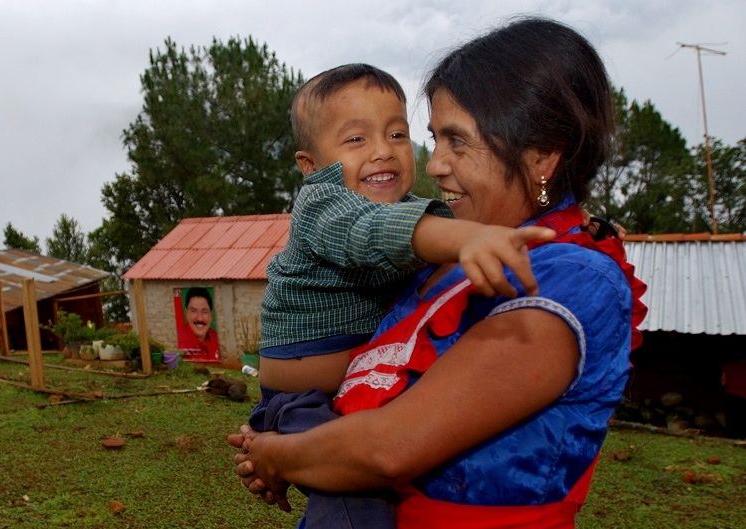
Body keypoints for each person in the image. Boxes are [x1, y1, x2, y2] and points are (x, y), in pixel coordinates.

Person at [232, 17, 648, 529]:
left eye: (456, 141)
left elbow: (390, 447)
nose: (432, 165)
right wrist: (294, 446)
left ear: (540, 155)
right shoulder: (448, 257)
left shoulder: (573, 279)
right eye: (435, 139)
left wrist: (278, 454)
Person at [252, 63, 555, 529]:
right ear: (311, 167)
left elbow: (488, 231)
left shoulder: (418, 212)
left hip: (355, 394)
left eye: (397, 134)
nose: (382, 152)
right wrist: (466, 239)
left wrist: (566, 228)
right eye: (356, 140)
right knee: (357, 502)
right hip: (302, 401)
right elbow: (373, 232)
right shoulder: (323, 207)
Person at [181, 287, 220, 361]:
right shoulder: (180, 340)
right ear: (186, 313)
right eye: (194, 311)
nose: (200, 318)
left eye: (204, 312)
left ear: (211, 315)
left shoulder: (215, 337)